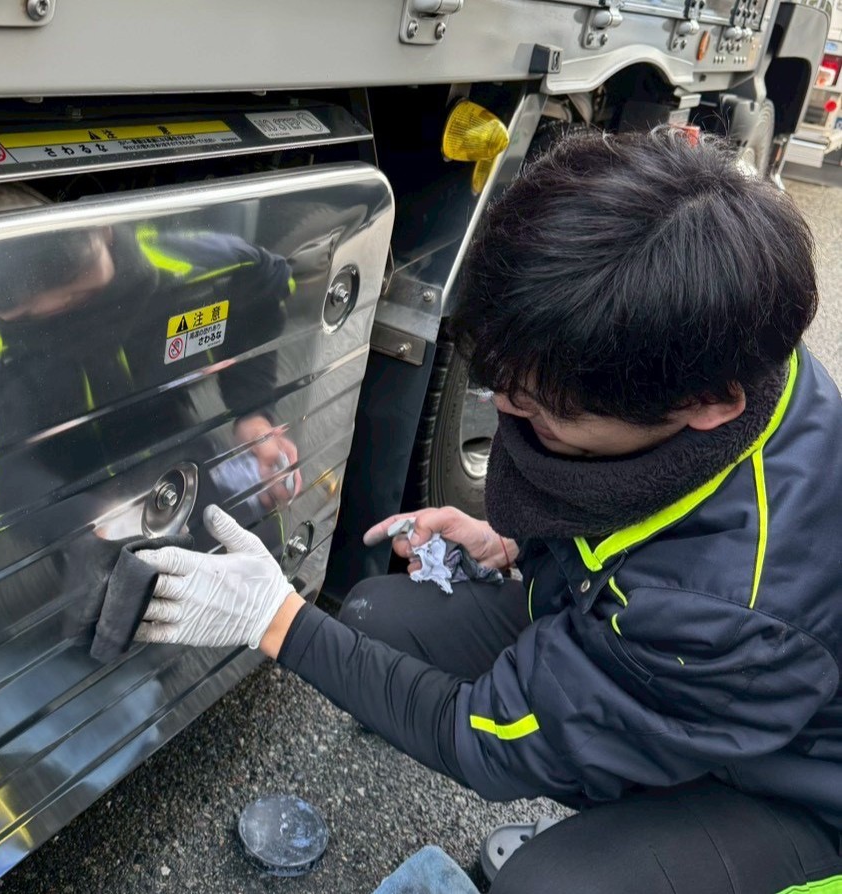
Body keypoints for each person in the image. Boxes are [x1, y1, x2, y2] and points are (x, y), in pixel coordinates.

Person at [132, 129, 842, 893]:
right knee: (374, 615)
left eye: (541, 414)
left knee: (550, 885)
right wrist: (512, 537)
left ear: (705, 406)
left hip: (791, 785)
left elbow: (483, 741)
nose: (507, 415)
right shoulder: (728, 340)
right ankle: (626, 760)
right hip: (665, 668)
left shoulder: (729, 605)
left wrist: (273, 619)